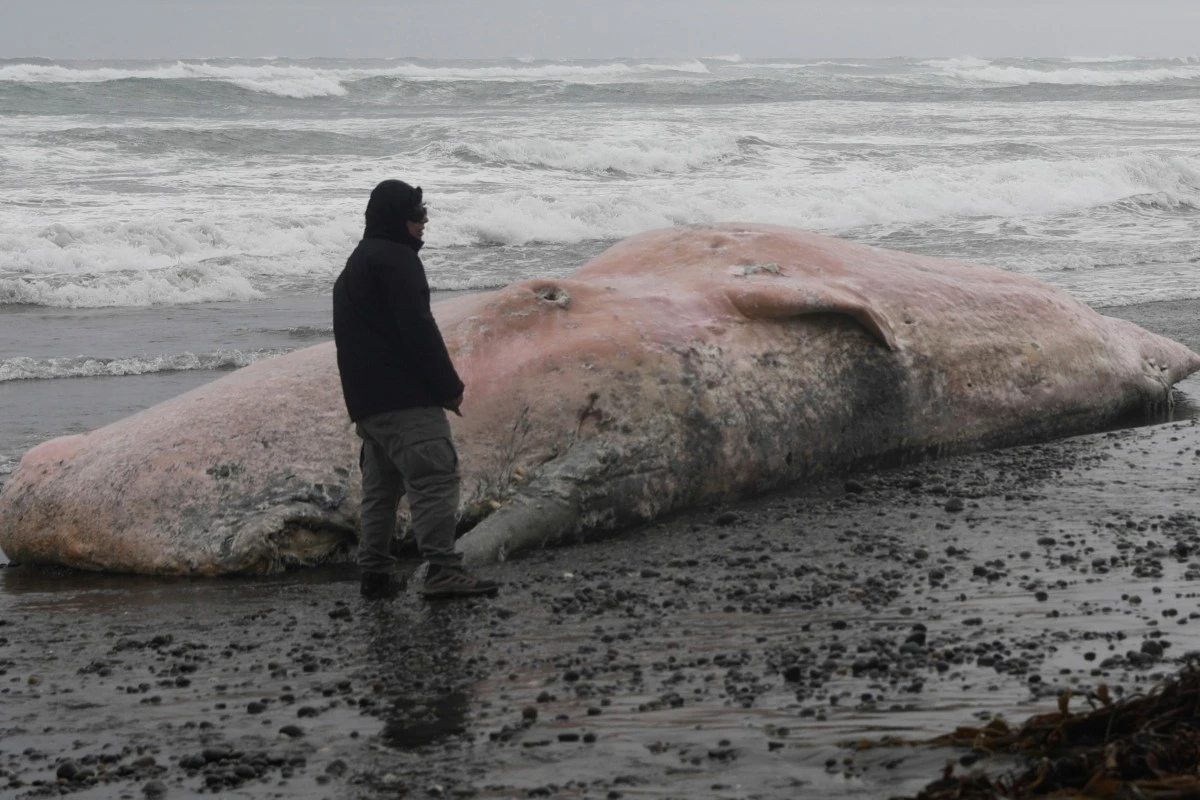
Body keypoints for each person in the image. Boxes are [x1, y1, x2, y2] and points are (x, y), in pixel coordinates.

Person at [332, 179, 498, 600]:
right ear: (397, 220)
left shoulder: (354, 266)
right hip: (406, 400)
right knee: (436, 476)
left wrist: (361, 405)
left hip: (368, 405)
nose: (424, 222)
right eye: (417, 215)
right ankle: (442, 570)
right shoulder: (397, 261)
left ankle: (375, 573)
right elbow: (418, 330)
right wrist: (448, 387)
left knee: (381, 491)